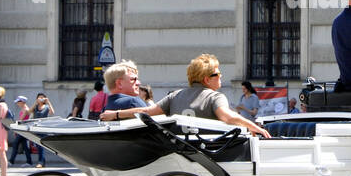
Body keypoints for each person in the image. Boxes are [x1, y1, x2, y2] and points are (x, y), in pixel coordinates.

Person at [115, 54, 272, 138]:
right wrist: (252, 125)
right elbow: (227, 117)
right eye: (217, 73)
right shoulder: (215, 97)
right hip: (210, 156)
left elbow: (146, 112)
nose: (221, 76)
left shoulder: (175, 95)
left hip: (179, 154)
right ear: (206, 79)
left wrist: (115, 114)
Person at [31, 93, 54, 167]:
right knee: (38, 146)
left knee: (41, 145)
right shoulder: (35, 107)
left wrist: (49, 102)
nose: (41, 99)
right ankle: (42, 161)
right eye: (39, 98)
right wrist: (35, 102)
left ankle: (40, 162)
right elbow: (29, 111)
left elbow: (52, 112)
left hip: (43, 128)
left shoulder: (46, 107)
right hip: (36, 128)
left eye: (42, 98)